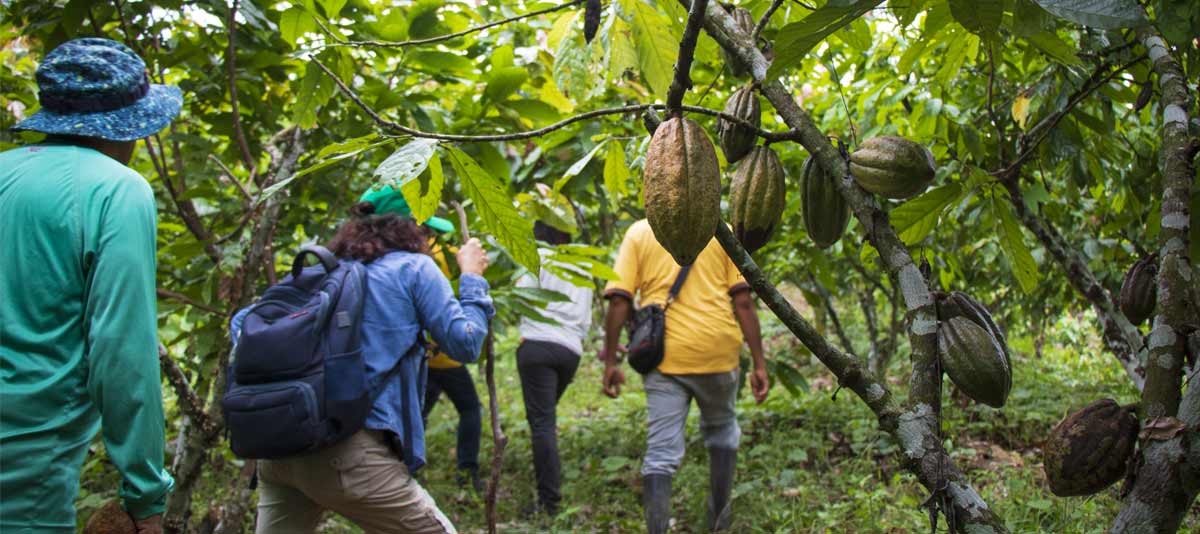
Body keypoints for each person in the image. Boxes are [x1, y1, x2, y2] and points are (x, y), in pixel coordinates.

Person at [0, 38, 182, 534]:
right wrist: (146, 494)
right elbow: (122, 353)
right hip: (26, 466)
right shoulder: (117, 190)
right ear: (129, 124)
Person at [244, 185, 493, 534]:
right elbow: (465, 344)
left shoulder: (319, 272)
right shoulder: (414, 269)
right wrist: (472, 278)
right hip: (348, 453)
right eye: (427, 228)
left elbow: (244, 323)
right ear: (411, 227)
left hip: (280, 451)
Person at [599, 219, 770, 533]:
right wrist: (759, 363)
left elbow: (620, 299)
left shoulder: (640, 232)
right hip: (718, 351)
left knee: (661, 453)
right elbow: (743, 301)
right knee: (722, 434)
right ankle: (720, 523)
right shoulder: (721, 230)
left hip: (664, 355)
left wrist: (611, 361)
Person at [516, 220, 594, 516]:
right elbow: (585, 315)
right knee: (544, 420)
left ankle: (549, 504)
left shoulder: (536, 258)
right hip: (570, 350)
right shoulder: (582, 264)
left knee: (542, 425)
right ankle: (549, 498)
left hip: (537, 344)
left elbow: (522, 298)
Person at [421, 218, 485, 493]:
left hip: (424, 353)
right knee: (470, 409)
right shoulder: (448, 258)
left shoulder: (420, 258)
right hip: (448, 353)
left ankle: (405, 463)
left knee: (418, 410)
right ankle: (467, 469)